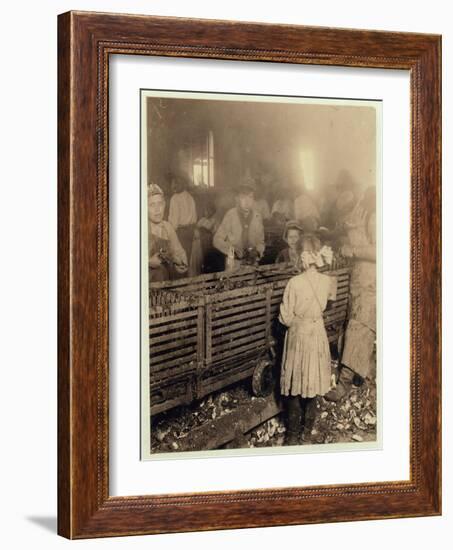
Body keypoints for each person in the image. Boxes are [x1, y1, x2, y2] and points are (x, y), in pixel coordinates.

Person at [279, 235, 336, 445]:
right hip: (317, 333)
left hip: (299, 334)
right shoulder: (327, 280)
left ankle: (292, 435)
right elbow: (329, 305)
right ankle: (307, 433)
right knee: (313, 383)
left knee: (294, 382)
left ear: (304, 257)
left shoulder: (294, 283)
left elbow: (285, 317)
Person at [324, 186, 376, 401]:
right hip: (359, 279)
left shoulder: (373, 217)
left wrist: (352, 250)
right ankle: (361, 374)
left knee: (359, 328)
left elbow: (381, 249)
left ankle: (344, 384)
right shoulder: (358, 215)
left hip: (371, 282)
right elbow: (349, 234)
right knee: (354, 327)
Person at [213, 177, 265, 271]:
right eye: (243, 197)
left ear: (254, 199)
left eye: (250, 197)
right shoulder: (230, 215)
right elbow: (217, 240)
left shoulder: (257, 217)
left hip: (252, 264)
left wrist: (257, 252)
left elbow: (261, 242)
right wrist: (232, 250)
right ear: (237, 199)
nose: (247, 201)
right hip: (233, 264)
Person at [148, 183, 188, 282]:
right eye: (152, 205)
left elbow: (180, 254)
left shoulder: (168, 227)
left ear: (165, 205)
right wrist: (147, 262)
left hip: (165, 283)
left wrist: (179, 262)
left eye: (160, 204)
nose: (157, 209)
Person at [168, 173, 198, 275]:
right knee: (187, 259)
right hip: (190, 231)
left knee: (179, 260)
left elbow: (174, 223)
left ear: (183, 184)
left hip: (179, 233)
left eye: (177, 183)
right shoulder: (190, 196)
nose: (174, 186)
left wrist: (168, 233)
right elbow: (194, 218)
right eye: (173, 183)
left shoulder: (175, 199)